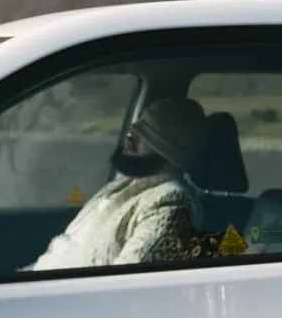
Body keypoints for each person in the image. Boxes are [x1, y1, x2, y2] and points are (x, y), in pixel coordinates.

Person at [27, 97, 208, 272]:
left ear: (171, 151)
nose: (130, 137)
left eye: (148, 134)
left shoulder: (172, 203)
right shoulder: (123, 185)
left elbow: (124, 283)